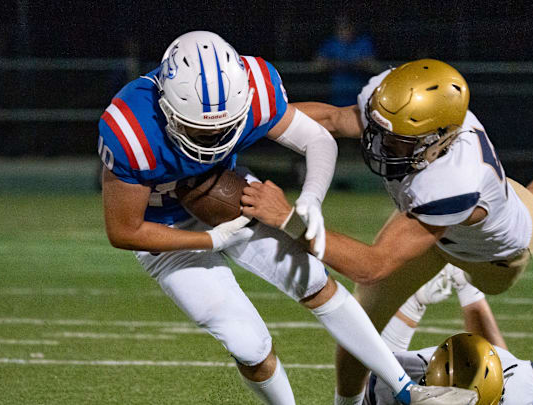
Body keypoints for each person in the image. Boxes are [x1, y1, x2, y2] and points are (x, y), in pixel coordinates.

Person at [98, 33, 475, 405]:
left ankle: (407, 390)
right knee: (248, 343)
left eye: (223, 126)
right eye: (201, 128)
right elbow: (125, 230)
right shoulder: (132, 127)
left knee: (313, 279)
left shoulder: (255, 89)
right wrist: (210, 241)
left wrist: (311, 198)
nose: (213, 138)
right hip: (163, 229)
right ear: (166, 106)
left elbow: (318, 139)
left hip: (229, 195)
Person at [240, 58, 533, 403]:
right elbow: (333, 119)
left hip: (492, 257)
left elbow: (372, 264)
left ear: (442, 137)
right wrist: (244, 122)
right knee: (359, 321)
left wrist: (290, 219)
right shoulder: (396, 102)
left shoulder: (455, 180)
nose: (380, 144)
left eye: (399, 141)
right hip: (430, 220)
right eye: (381, 131)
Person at [368, 265, 533, 405]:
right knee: (371, 372)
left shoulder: (525, 389)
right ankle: (417, 299)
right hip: (406, 373)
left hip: (503, 369)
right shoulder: (394, 382)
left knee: (497, 354)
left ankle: (465, 283)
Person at [314, 14, 379, 106]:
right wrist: (335, 64)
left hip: (359, 93)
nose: (344, 31)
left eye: (347, 27)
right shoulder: (330, 43)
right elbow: (317, 65)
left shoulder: (363, 42)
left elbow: (374, 65)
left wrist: (356, 64)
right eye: (341, 28)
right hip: (336, 94)